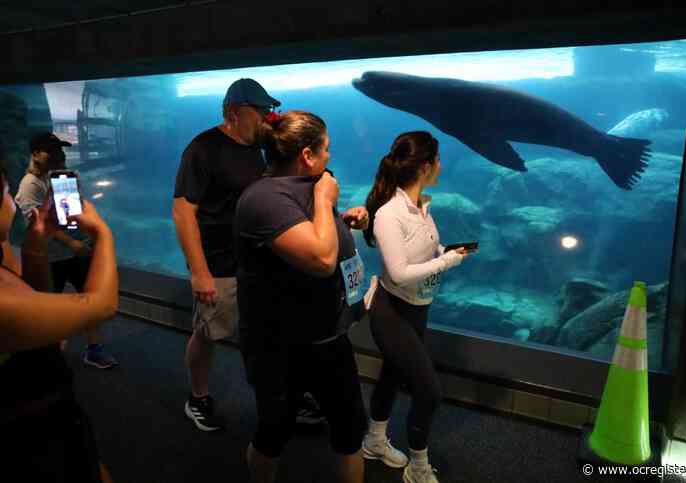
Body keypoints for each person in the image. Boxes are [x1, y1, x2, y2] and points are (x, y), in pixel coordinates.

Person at [173, 78, 325, 431]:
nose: (269, 118)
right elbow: (183, 211)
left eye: (270, 110)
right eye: (261, 111)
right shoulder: (203, 149)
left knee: (266, 332)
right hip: (219, 262)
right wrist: (199, 272)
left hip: (255, 262)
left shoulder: (256, 148)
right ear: (233, 112)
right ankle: (197, 397)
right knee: (210, 331)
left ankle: (286, 395)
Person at [235, 110, 370, 483]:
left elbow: (314, 233)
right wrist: (326, 202)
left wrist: (343, 219)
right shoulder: (264, 197)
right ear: (307, 155)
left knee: (349, 431)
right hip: (279, 346)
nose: (330, 157)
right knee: (273, 432)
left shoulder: (305, 187)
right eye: (325, 150)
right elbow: (321, 258)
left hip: (328, 337)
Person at [0, 143, 118, 482]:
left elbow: (35, 299)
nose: (12, 202)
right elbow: (102, 305)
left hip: (52, 414)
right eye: (6, 192)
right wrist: (103, 234)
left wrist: (37, 245)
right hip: (30, 441)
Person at [361, 131, 472, 483]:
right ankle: (418, 465)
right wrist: (448, 263)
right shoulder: (389, 214)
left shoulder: (423, 206)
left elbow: (422, 253)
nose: (441, 165)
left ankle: (374, 441)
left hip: (415, 308)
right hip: (391, 311)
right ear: (425, 166)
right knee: (429, 391)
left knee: (392, 375)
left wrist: (443, 253)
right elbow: (400, 273)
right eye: (438, 159)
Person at [15, 132, 118, 369]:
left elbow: (73, 211)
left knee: (89, 297)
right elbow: (38, 226)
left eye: (60, 150)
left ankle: (93, 349)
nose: (59, 155)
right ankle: (47, 351)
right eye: (51, 151)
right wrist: (73, 243)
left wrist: (83, 235)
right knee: (46, 306)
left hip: (75, 252)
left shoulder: (65, 176)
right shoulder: (29, 185)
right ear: (35, 155)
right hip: (50, 258)